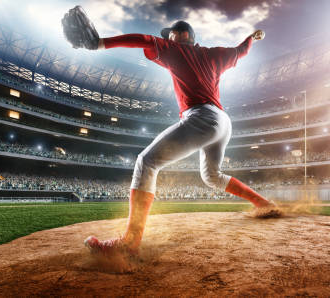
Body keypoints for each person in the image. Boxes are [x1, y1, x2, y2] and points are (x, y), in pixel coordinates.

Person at [79, 20, 281, 257]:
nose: (167, 39)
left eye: (170, 35)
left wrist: (100, 43)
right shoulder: (214, 54)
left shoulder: (177, 49)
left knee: (146, 162)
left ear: (182, 35)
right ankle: (263, 204)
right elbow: (241, 51)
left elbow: (143, 40)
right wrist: (252, 38)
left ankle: (130, 244)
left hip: (202, 117)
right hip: (223, 122)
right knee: (212, 176)